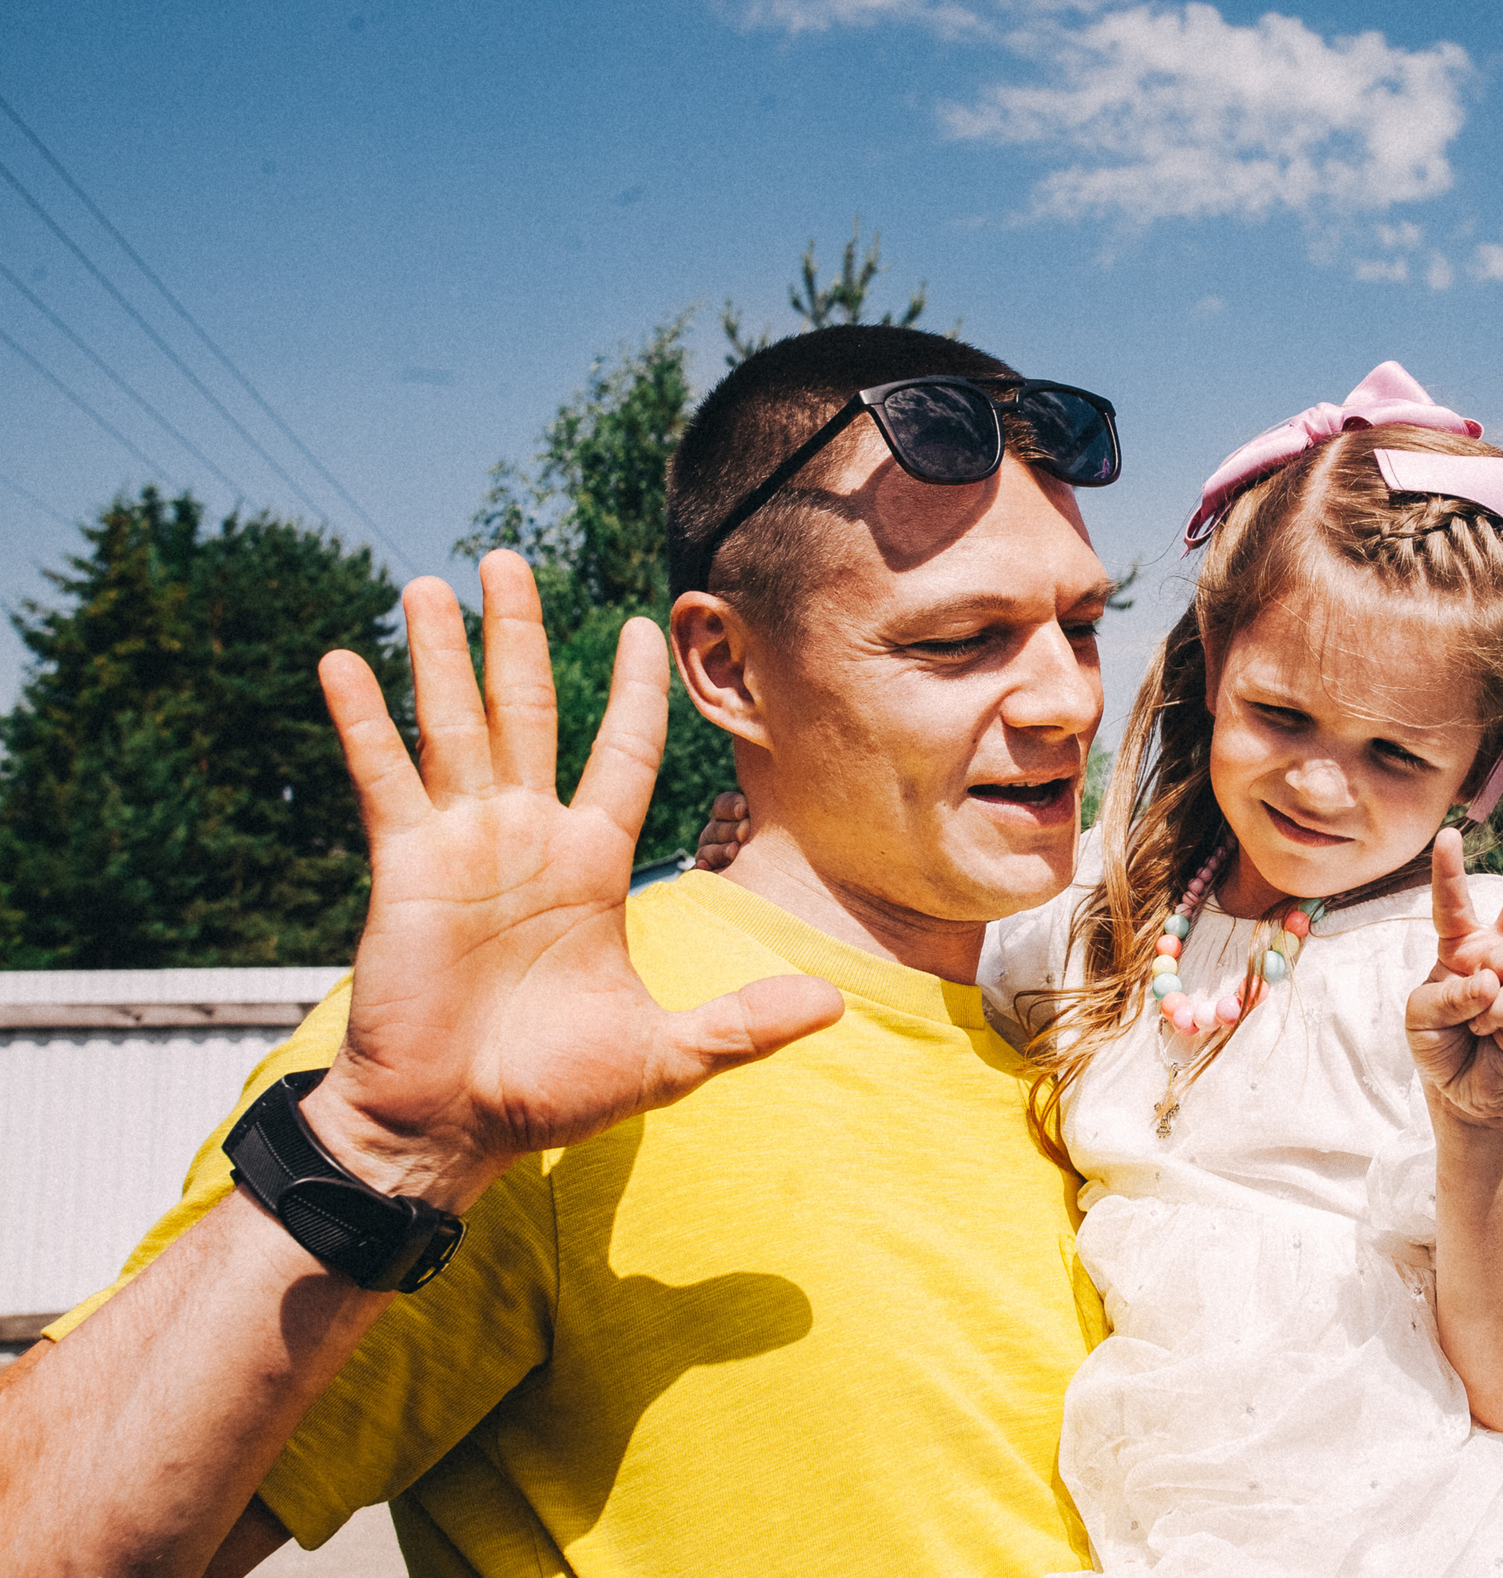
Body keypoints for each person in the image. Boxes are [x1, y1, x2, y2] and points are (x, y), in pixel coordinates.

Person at [0, 325, 1131, 1577]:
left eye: (1081, 625)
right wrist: (385, 1148)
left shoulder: (1104, 1045)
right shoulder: (551, 1038)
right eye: (955, 641)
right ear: (728, 668)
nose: (1068, 700)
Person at [707, 361, 1503, 1574]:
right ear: (1210, 669)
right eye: (1281, 716)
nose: (1320, 783)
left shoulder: (1479, 975)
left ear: (1483, 768)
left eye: (1395, 754)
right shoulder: (1105, 912)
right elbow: (914, 982)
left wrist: (1482, 1124)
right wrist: (785, 842)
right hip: (1162, 1523)